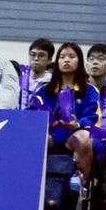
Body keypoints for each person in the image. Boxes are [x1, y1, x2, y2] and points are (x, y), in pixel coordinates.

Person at [40, 42, 100, 189]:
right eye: (62, 57)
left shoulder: (90, 90)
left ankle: (82, 186)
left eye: (71, 57)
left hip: (74, 133)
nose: (66, 60)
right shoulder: (43, 90)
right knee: (35, 137)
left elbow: (93, 117)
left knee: (85, 138)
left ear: (79, 61)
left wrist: (77, 124)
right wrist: (45, 124)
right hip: (50, 134)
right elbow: (33, 114)